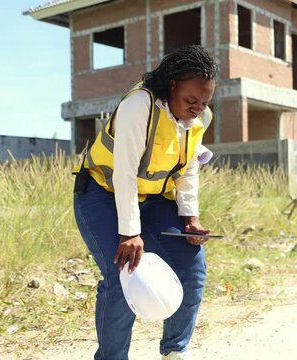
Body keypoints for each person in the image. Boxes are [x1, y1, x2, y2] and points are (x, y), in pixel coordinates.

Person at [73, 45, 218, 360]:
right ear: (172, 86)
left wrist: (190, 218)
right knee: (123, 274)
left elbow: (188, 168)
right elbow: (123, 172)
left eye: (205, 101)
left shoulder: (200, 117)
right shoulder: (140, 105)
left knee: (192, 267)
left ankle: (174, 351)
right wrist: (129, 233)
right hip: (102, 194)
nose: (198, 108)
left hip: (152, 200)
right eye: (191, 100)